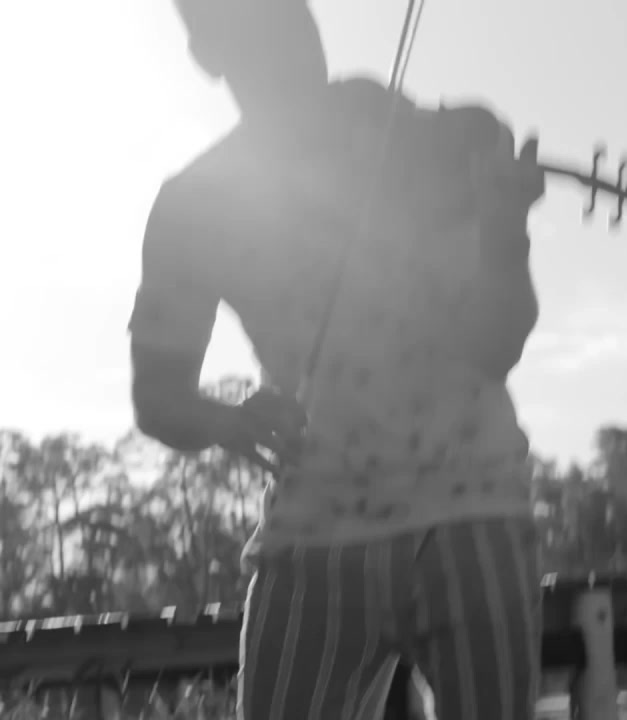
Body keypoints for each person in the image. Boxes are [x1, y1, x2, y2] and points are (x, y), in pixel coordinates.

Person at [127, 0, 545, 717]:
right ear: (207, 53)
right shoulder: (193, 206)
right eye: (258, 25)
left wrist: (506, 233)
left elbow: (497, 345)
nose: (292, 37)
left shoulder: (421, 141)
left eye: (296, 14)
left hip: (472, 510)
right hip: (311, 536)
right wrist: (228, 420)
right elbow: (157, 396)